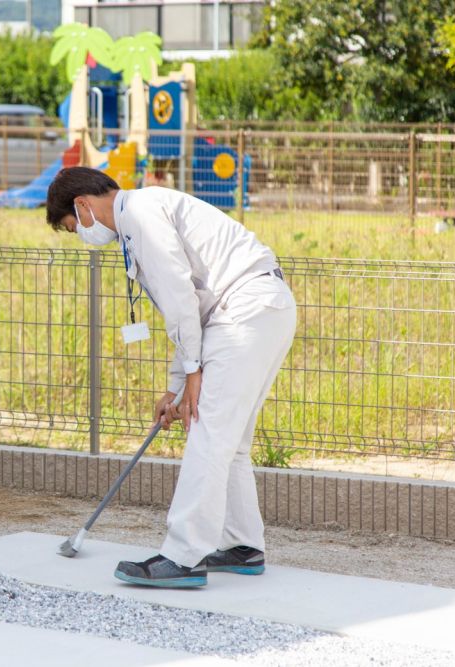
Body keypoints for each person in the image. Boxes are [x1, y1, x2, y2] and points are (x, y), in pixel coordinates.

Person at [45, 167, 296, 588]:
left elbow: (181, 296)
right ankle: (243, 547)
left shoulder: (141, 214)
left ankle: (182, 557)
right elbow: (190, 307)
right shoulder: (141, 215)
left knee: (208, 433)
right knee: (229, 443)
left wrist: (193, 374)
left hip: (244, 311)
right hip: (259, 310)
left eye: (74, 228)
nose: (82, 234)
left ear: (82, 206)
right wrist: (176, 384)